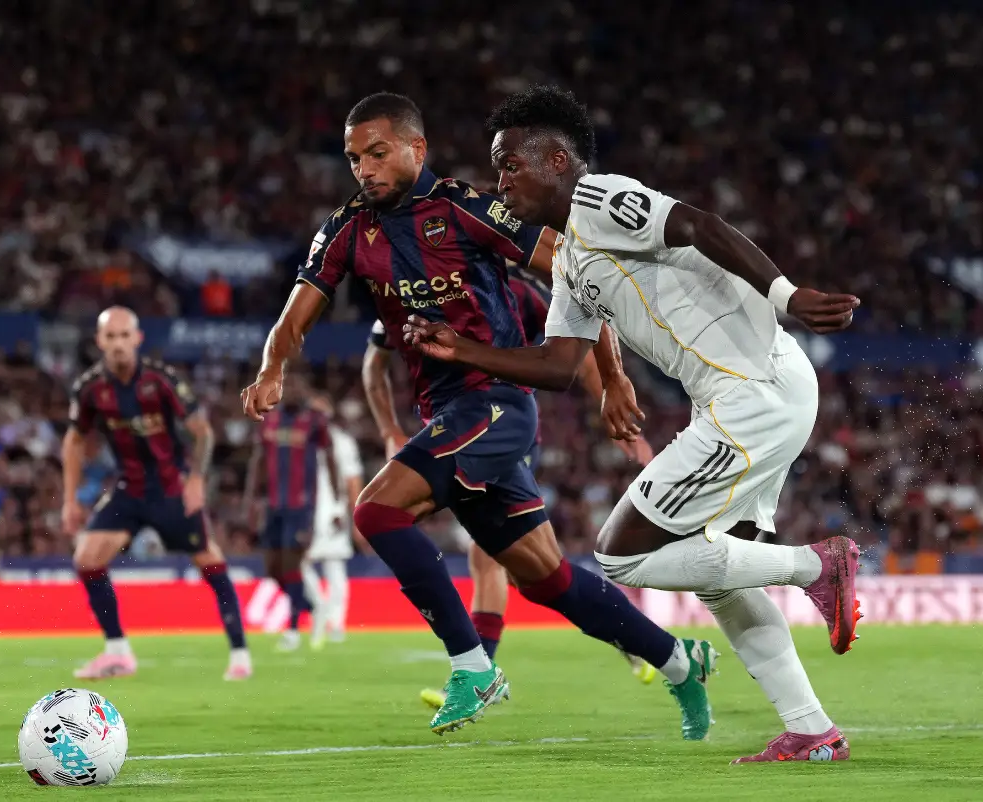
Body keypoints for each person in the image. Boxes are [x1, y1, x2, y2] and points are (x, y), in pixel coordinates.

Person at [403, 84, 864, 762]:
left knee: (620, 551)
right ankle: (812, 729)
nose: (500, 181)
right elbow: (562, 365)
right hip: (751, 396)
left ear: (558, 160)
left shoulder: (599, 199)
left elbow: (701, 225)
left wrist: (787, 294)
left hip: (752, 392)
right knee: (720, 572)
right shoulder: (568, 257)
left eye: (510, 164)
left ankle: (815, 565)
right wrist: (463, 348)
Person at [242, 92, 716, 739]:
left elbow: (576, 272)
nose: (365, 169)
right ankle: (680, 661)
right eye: (355, 158)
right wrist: (272, 367)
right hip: (449, 412)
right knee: (546, 580)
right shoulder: (351, 228)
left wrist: (612, 378)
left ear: (417, 148)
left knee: (377, 512)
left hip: (496, 403)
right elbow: (297, 313)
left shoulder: (468, 210)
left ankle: (473, 666)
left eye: (378, 153)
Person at [362, 273, 658, 712]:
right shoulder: (410, 286)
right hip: (453, 427)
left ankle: (478, 671)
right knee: (535, 574)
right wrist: (388, 429)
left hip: (505, 428)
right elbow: (374, 365)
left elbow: (581, 343)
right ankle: (639, 641)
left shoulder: (516, 290)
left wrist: (608, 406)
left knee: (490, 557)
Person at [63, 306, 252, 681]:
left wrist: (196, 479)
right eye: (110, 337)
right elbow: (74, 440)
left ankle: (240, 652)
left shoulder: (161, 380)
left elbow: (202, 431)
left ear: (137, 338)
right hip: (129, 490)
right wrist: (69, 498)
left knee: (208, 560)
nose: (117, 344)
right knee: (86, 558)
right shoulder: (89, 389)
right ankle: (118, 652)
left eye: (124, 335)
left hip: (171, 489)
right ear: (99, 341)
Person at [244, 373, 340, 652]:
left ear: (306, 392)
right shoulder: (269, 420)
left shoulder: (314, 421)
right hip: (273, 505)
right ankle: (311, 606)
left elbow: (330, 455)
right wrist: (250, 500)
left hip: (302, 506)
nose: (294, 392)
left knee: (290, 565)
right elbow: (258, 460)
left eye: (299, 386)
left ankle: (294, 629)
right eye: (289, 387)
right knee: (272, 568)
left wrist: (335, 500)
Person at [301, 391, 366, 646]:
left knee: (335, 567)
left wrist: (355, 515)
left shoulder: (343, 442)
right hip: (304, 511)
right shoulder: (301, 440)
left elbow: (353, 482)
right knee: (297, 563)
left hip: (332, 513)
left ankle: (337, 623)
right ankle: (320, 605)